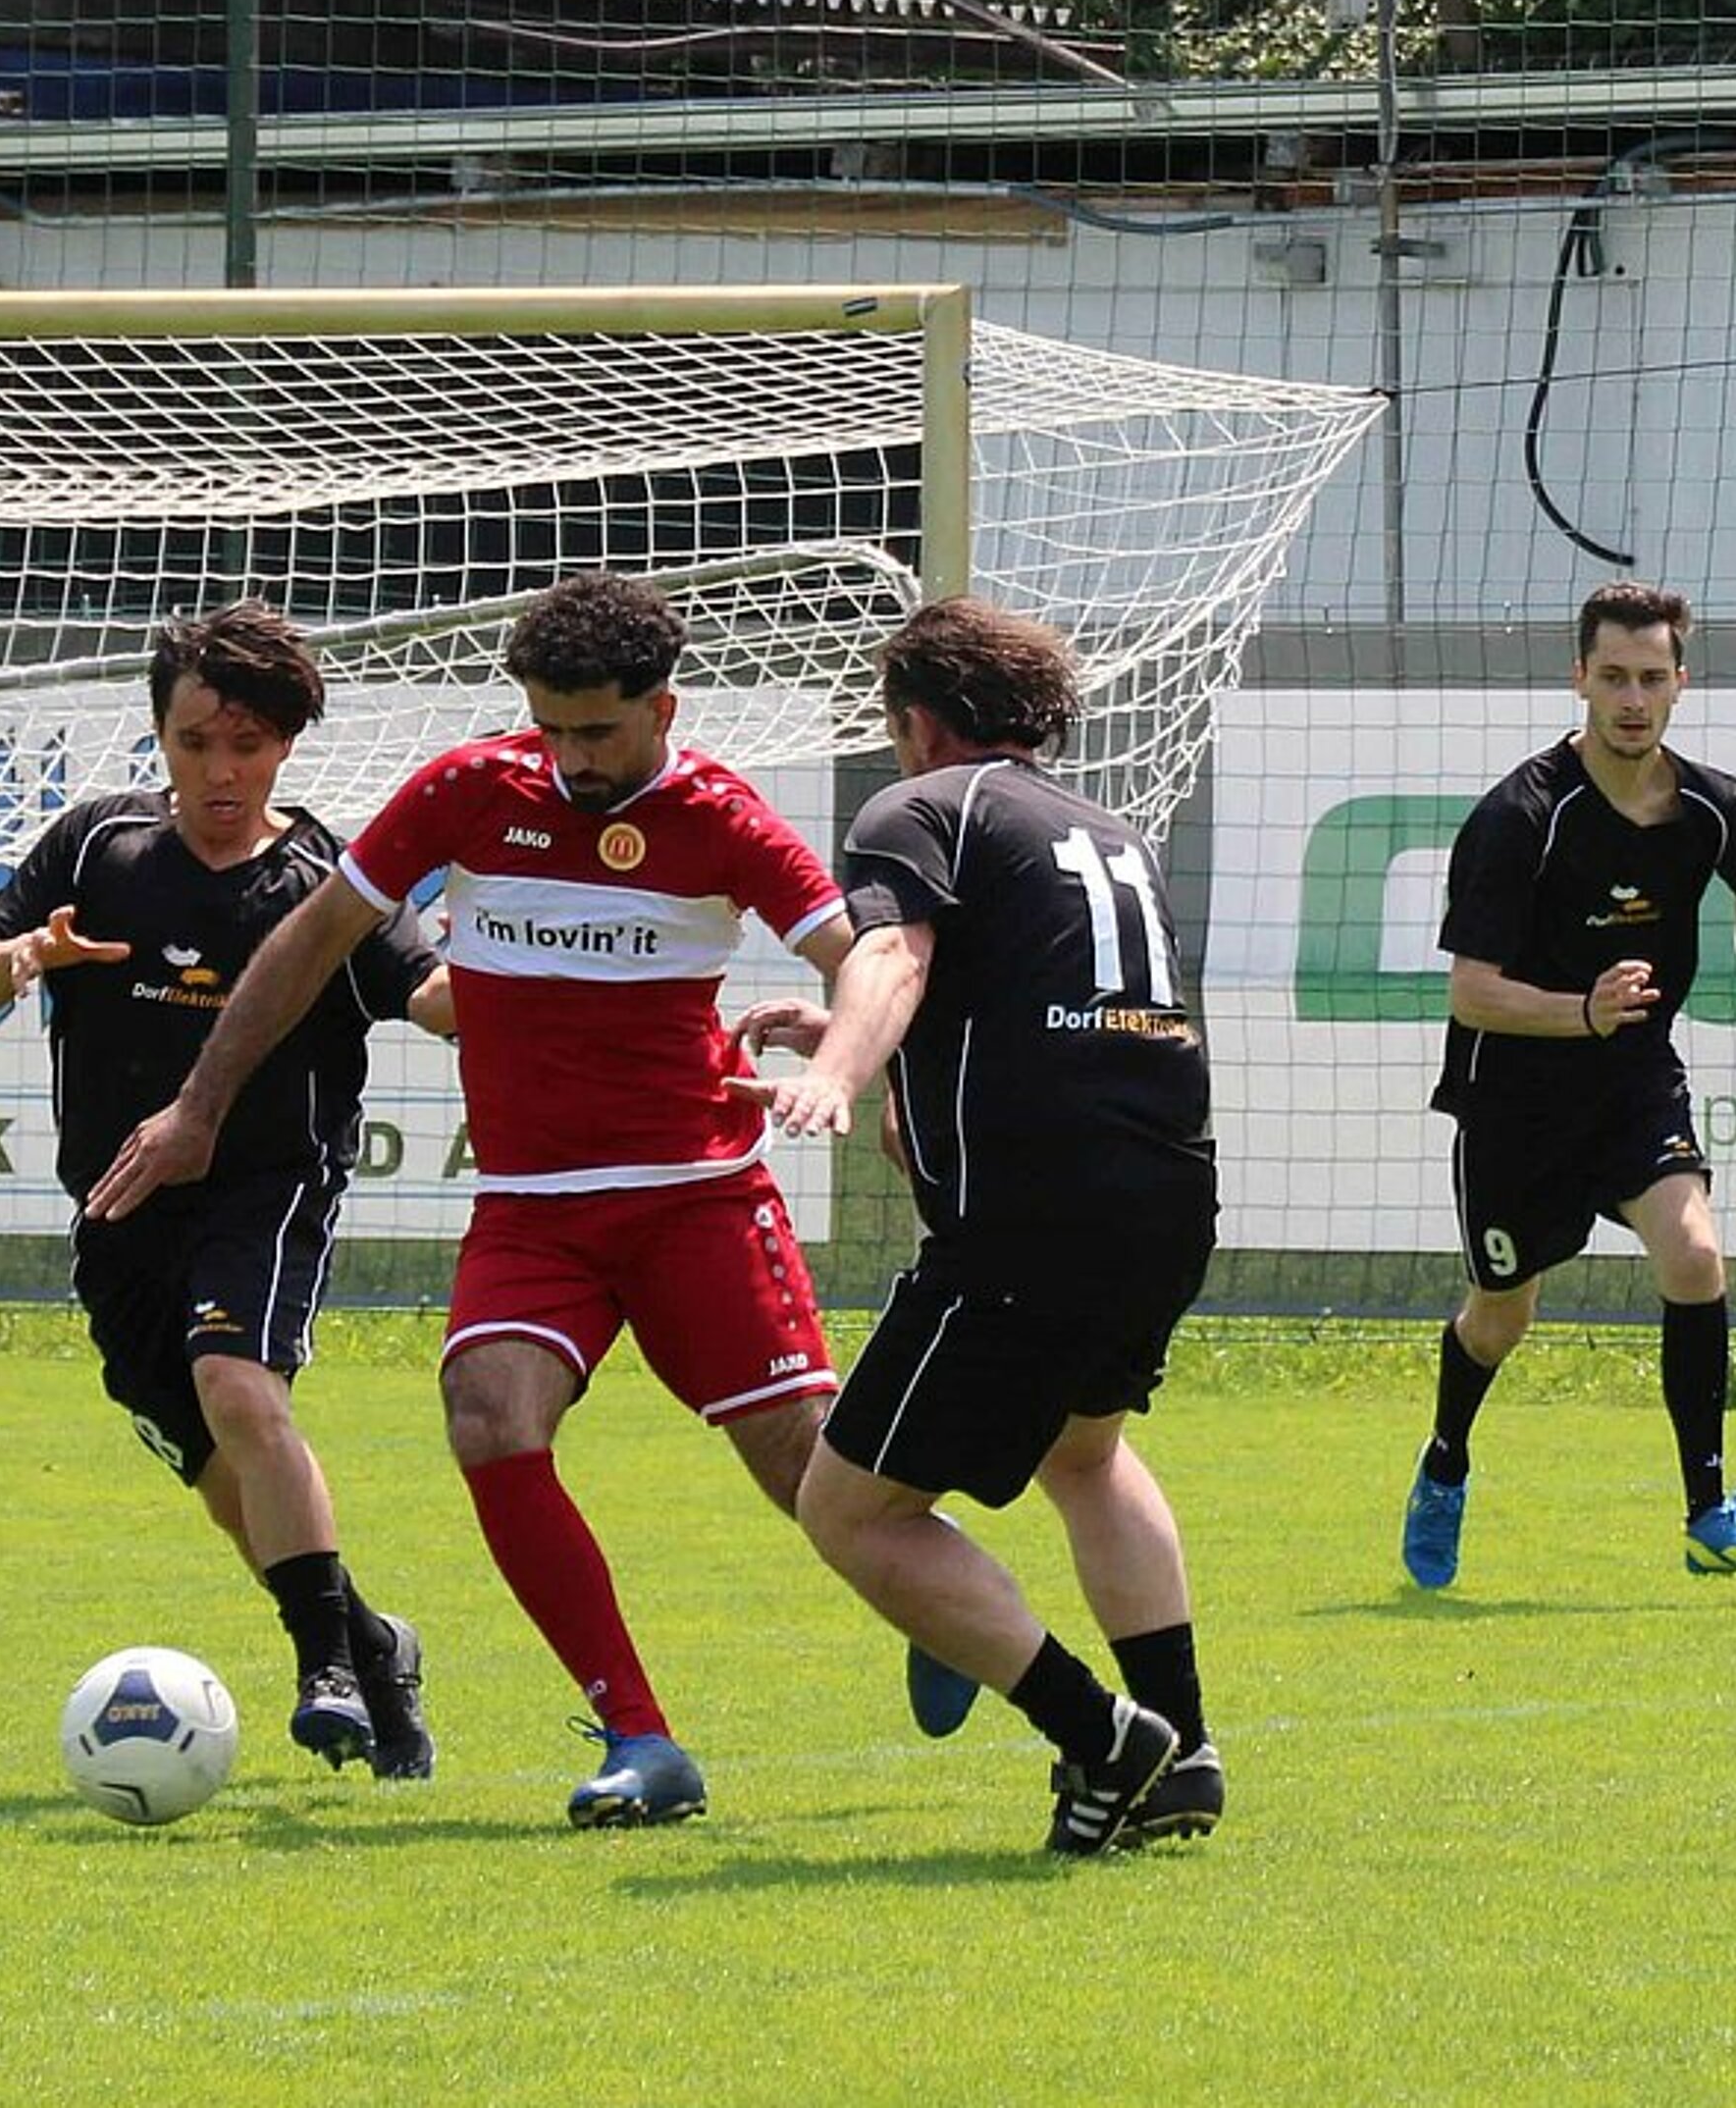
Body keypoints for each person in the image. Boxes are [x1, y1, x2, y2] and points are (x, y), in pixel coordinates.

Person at [89, 568, 913, 1830]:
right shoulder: (472, 791)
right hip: (533, 1208)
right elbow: (310, 941)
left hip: (695, 1195)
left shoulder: (721, 819)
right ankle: (640, 1736)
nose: (571, 757)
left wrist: (857, 1073)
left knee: (811, 1475)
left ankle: (942, 1607)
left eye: (599, 731)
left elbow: (867, 958)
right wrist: (200, 1105)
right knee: (488, 1418)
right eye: (551, 726)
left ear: (663, 710)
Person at [0, 602, 455, 1780]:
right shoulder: (99, 848)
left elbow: (429, 997)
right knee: (222, 1479)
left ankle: (325, 1670)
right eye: (195, 743)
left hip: (264, 1187)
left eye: (247, 746)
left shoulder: (327, 880)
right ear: (160, 736)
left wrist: (498, 968)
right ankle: (372, 1646)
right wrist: (28, 955)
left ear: (286, 746)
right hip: (118, 1206)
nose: (221, 771)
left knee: (238, 1388)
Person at [728, 598, 1218, 1856]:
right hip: (1167, 1196)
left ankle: (1103, 1737)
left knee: (850, 1510)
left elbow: (892, 960)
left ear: (917, 720)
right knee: (1085, 1454)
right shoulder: (1103, 831)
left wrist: (837, 1069)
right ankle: (1187, 1748)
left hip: (1030, 1217)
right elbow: (1018, 1008)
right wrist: (873, 1047)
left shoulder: (920, 807)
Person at [1403, 580, 1736, 1590]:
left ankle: (1709, 1511)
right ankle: (1446, 1461)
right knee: (1501, 1320)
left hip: (1633, 1082)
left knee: (1695, 1255)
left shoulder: (1714, 807)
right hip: (1514, 1102)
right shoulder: (1521, 817)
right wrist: (1581, 1009)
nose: (1633, 699)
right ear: (1579, 677)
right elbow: (1472, 995)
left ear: (1681, 684)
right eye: (1615, 677)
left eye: (1652, 679)